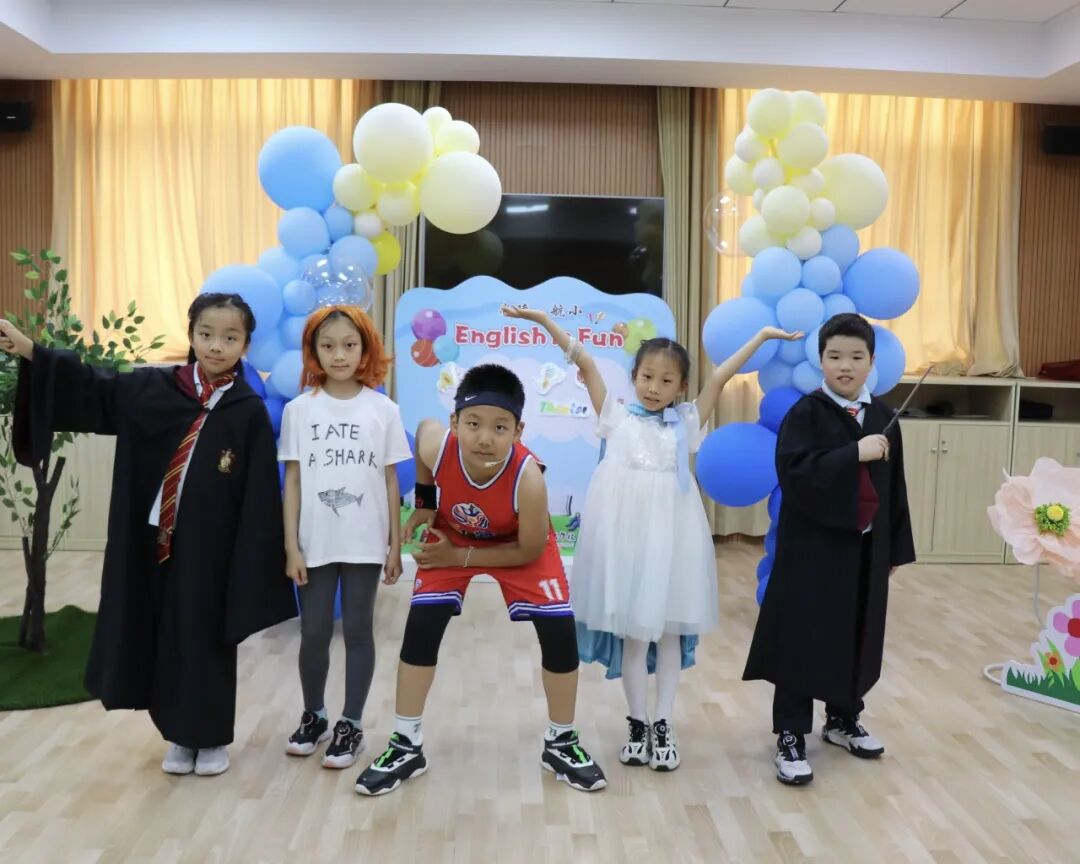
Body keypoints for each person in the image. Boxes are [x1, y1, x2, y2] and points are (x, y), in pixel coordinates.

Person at [0, 293, 296, 777]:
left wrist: (255, 559)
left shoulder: (247, 412)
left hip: (212, 550)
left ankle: (210, 737)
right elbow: (93, 385)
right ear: (191, 334)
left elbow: (260, 493)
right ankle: (178, 735)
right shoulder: (156, 389)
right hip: (151, 541)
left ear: (245, 344)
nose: (216, 346)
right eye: (206, 334)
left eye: (230, 337)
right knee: (159, 629)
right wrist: (32, 351)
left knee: (204, 637)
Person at [503, 304, 798, 771]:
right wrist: (542, 321)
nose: (654, 387)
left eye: (666, 380)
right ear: (634, 376)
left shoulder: (687, 422)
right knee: (635, 640)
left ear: (681, 386)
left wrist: (760, 338)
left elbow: (721, 376)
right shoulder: (615, 416)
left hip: (673, 541)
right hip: (626, 542)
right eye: (646, 377)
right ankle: (637, 723)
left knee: (668, 633)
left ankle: (664, 724)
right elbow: (582, 359)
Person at [353, 363, 607, 795]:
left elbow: (529, 550)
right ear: (455, 423)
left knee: (560, 632)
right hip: (454, 533)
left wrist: (461, 556)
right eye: (473, 424)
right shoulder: (437, 444)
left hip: (517, 544)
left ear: (518, 431)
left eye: (500, 427)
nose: (485, 437)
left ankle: (561, 741)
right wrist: (427, 502)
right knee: (422, 626)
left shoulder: (528, 479)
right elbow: (424, 428)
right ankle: (406, 743)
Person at [743, 312, 916, 786]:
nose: (845, 366)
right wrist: (852, 453)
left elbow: (894, 487)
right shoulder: (807, 413)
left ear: (871, 362)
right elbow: (795, 473)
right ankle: (791, 734)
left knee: (858, 631)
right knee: (803, 638)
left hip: (865, 549)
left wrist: (894, 548)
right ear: (821, 360)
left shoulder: (883, 417)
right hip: (813, 550)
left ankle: (843, 717)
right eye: (835, 356)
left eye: (856, 357)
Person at [280, 305, 411, 770]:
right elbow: (293, 480)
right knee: (314, 632)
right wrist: (291, 545)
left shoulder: (383, 409)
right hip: (314, 542)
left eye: (349, 345)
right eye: (328, 345)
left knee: (358, 631)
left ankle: (351, 724)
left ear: (365, 349)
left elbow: (391, 481)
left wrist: (395, 545)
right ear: (313, 351)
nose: (339, 355)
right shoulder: (299, 410)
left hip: (365, 542)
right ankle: (314, 716)